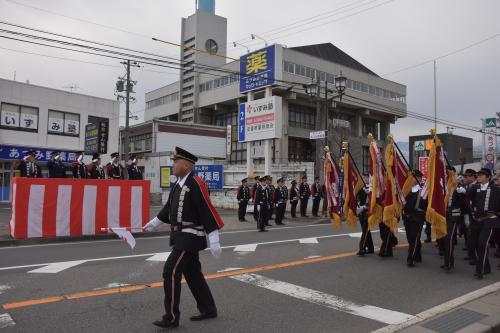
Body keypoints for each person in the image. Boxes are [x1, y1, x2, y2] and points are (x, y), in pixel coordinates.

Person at [143, 147, 224, 329]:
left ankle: (171, 317)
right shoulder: (178, 185)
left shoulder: (196, 183)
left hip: (190, 237)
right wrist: (152, 223)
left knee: (170, 271)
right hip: (180, 236)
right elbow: (167, 210)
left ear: (186, 165)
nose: (173, 165)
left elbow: (207, 209)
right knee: (193, 274)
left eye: (175, 161)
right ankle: (208, 308)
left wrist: (214, 238)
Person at [465, 168, 500, 279]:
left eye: (481, 175)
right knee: (474, 243)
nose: (479, 177)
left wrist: (495, 213)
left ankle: (480, 270)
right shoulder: (475, 187)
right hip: (476, 220)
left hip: (489, 220)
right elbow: (467, 198)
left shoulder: (495, 189)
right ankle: (487, 266)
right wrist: (462, 191)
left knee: (482, 244)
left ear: (488, 177)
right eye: (478, 175)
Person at [441, 169, 467, 272]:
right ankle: (448, 261)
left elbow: (465, 204)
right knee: (444, 239)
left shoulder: (458, 187)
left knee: (449, 239)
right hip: (443, 215)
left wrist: (463, 193)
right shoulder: (442, 186)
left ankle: (448, 263)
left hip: (453, 216)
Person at [402, 170, 427, 267]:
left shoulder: (423, 189)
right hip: (407, 216)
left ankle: (410, 258)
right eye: (412, 177)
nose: (413, 179)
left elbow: (426, 202)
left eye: (415, 177)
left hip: (418, 216)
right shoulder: (407, 188)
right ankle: (417, 254)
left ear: (420, 178)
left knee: (414, 237)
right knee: (410, 238)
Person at [462, 168, 478, 263]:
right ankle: (471, 254)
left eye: (467, 176)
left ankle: (475, 257)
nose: (465, 178)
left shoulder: (477, 186)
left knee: (474, 236)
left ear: (472, 176)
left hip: (476, 214)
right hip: (467, 212)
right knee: (469, 235)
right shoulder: (468, 186)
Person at [356, 173, 374, 256]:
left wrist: (364, 207)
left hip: (368, 211)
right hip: (361, 212)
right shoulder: (361, 188)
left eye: (366, 177)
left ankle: (362, 248)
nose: (365, 179)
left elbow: (372, 201)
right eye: (363, 177)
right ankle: (370, 248)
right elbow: (357, 197)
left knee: (365, 230)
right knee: (366, 230)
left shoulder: (372, 188)